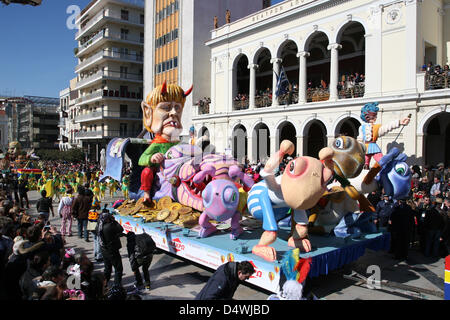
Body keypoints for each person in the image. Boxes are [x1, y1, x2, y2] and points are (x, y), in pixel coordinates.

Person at [97, 212, 124, 287]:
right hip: (112, 249)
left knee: (107, 268)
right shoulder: (110, 226)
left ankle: (104, 283)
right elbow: (121, 229)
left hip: (104, 250)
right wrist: (114, 221)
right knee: (118, 269)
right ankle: (117, 285)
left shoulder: (99, 225)